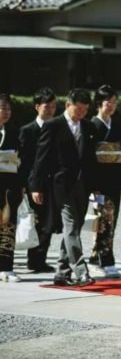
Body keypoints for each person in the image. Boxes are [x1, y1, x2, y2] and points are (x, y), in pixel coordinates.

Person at [30, 88, 98, 286]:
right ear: (68, 105)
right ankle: (81, 271)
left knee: (74, 227)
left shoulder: (87, 127)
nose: (82, 114)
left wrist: (95, 186)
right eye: (78, 110)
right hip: (61, 185)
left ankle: (61, 271)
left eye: (85, 110)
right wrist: (36, 186)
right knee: (70, 227)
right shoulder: (53, 125)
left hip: (83, 185)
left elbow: (90, 159)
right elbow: (41, 158)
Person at [89, 85, 121, 279]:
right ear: (99, 104)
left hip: (114, 180)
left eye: (115, 102)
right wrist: (91, 186)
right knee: (100, 221)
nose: (112, 106)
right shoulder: (92, 126)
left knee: (111, 220)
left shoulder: (118, 125)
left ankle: (102, 258)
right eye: (108, 102)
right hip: (98, 181)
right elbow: (87, 157)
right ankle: (101, 259)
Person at [18, 87, 58, 273]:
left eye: (53, 106)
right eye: (46, 106)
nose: (50, 110)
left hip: (54, 182)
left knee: (49, 223)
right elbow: (24, 162)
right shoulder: (27, 130)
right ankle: (33, 259)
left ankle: (40, 259)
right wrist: (27, 186)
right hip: (34, 184)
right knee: (34, 222)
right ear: (37, 107)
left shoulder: (59, 128)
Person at [0, 93, 23, 282]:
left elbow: (22, 160)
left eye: (8, 108)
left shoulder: (15, 132)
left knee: (8, 225)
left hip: (9, 187)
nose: (5, 112)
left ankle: (6, 267)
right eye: (2, 108)